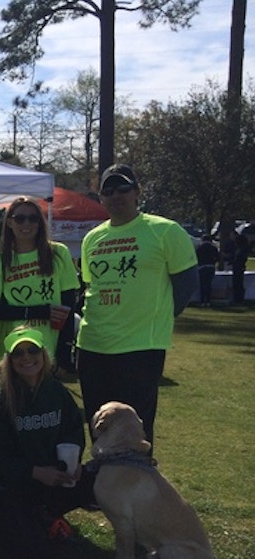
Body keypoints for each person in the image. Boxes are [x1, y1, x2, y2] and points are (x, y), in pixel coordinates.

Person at [76, 164, 198, 446]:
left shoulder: (164, 231)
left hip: (140, 347)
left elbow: (187, 284)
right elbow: (91, 286)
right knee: (98, 423)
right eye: (109, 190)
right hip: (92, 344)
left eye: (123, 188)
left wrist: (158, 317)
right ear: (101, 197)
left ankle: (136, 482)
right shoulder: (92, 239)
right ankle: (103, 483)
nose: (116, 195)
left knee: (135, 427)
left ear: (137, 192)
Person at [0, 326, 95, 559]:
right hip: (7, 484)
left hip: (48, 475)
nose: (27, 358)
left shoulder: (56, 390)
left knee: (98, 478)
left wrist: (74, 460)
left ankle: (45, 513)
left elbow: (72, 428)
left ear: (43, 355)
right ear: (8, 361)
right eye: (18, 354)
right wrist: (35, 472)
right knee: (35, 555)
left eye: (33, 350)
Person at [0, 197, 80, 394]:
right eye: (19, 218)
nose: (26, 224)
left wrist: (65, 351)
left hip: (47, 349)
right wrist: (40, 311)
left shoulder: (58, 254)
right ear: (9, 223)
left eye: (33, 218)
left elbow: (68, 305)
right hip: (11, 350)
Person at [195, 234, 219, 307]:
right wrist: (213, 262)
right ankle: (208, 301)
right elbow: (218, 257)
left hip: (202, 267)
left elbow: (195, 258)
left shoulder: (199, 248)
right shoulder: (213, 248)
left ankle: (202, 301)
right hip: (211, 267)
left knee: (202, 284)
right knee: (208, 284)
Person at [231, 232, 250, 305]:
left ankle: (238, 299)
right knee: (237, 283)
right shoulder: (240, 250)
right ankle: (238, 299)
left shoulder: (242, 251)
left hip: (239, 268)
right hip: (238, 268)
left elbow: (240, 260)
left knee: (238, 284)